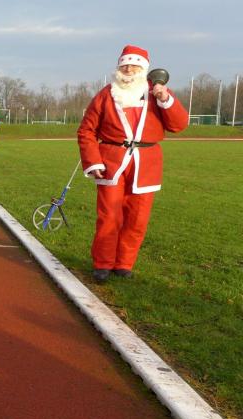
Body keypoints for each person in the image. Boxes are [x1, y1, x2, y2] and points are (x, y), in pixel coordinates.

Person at [78, 45, 188, 283]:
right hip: (111, 162)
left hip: (146, 164)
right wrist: (93, 161)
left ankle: (124, 264)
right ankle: (103, 263)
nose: (129, 69)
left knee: (137, 218)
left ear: (144, 69)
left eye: (134, 65)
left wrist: (165, 99)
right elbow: (86, 130)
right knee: (109, 216)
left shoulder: (157, 93)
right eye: (125, 65)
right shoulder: (106, 94)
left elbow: (179, 125)